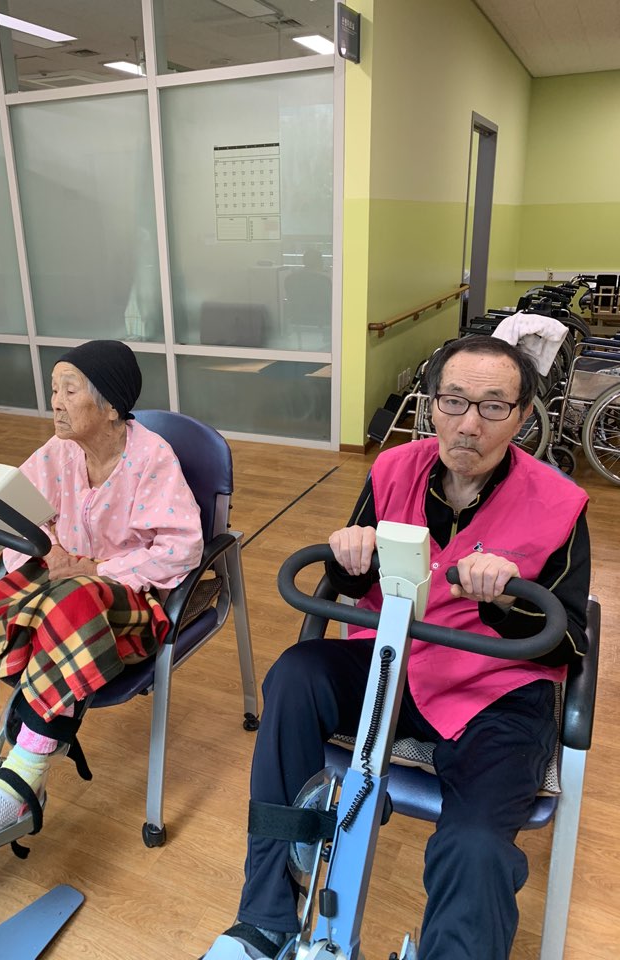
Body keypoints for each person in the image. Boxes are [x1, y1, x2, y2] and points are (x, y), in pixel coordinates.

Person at [203, 335, 591, 960]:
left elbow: (568, 638)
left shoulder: (558, 504)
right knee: (296, 675)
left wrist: (504, 600)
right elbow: (352, 576)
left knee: (475, 843)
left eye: (493, 406)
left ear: (522, 416)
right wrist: (350, 554)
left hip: (494, 695)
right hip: (391, 665)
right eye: (454, 401)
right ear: (431, 405)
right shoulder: (392, 470)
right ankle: (266, 918)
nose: (469, 424)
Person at [0, 339, 203, 846]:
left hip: (126, 608)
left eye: (69, 390)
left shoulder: (152, 458)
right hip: (56, 593)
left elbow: (183, 547)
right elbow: (13, 513)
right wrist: (52, 554)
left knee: (73, 596)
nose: (56, 402)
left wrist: (97, 568)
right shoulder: (57, 452)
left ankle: (25, 774)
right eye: (54, 389)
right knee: (3, 594)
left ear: (110, 406)